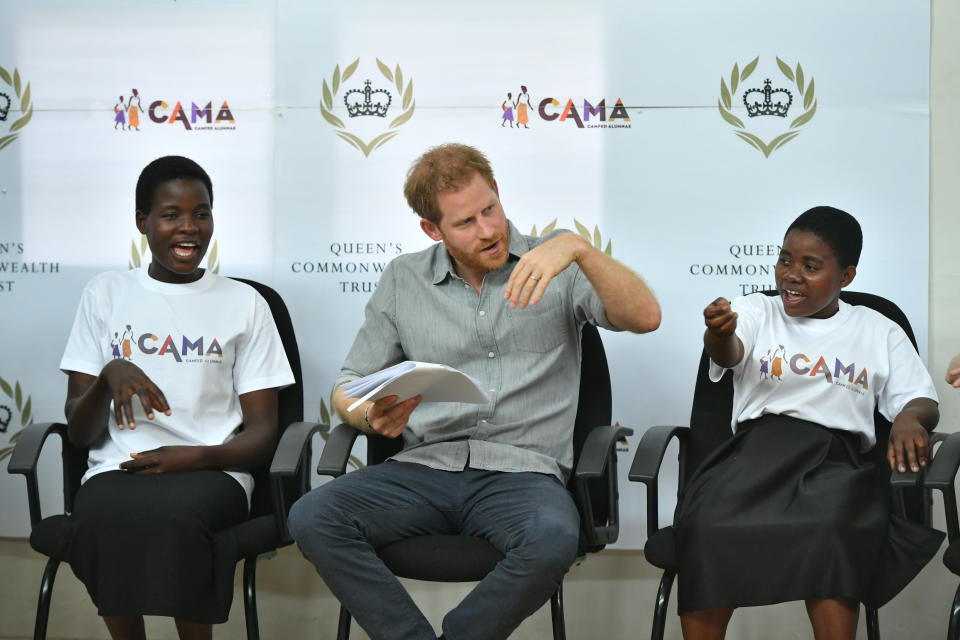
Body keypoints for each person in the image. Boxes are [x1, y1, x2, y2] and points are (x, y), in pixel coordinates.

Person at [288, 143, 661, 640]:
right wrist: (367, 416)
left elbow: (645, 317)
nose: (487, 230)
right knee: (313, 516)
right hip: (423, 469)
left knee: (553, 538)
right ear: (432, 229)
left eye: (491, 209)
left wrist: (581, 249)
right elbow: (348, 386)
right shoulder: (404, 279)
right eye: (465, 223)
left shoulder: (559, 266)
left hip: (523, 474)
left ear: (499, 195)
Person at [678, 206, 943, 640]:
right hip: (749, 456)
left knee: (834, 529)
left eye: (811, 266)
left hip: (834, 465)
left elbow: (920, 399)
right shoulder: (756, 310)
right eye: (785, 260)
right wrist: (718, 334)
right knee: (706, 526)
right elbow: (728, 353)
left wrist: (910, 419)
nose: (791, 274)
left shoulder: (878, 329)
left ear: (847, 277)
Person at [58, 156, 294, 640]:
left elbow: (265, 434)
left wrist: (195, 457)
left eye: (201, 213)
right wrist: (109, 376)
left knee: (179, 518)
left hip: (214, 470)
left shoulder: (246, 303)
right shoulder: (105, 293)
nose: (189, 228)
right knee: (101, 513)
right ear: (142, 221)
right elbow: (80, 433)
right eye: (171, 214)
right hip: (117, 470)